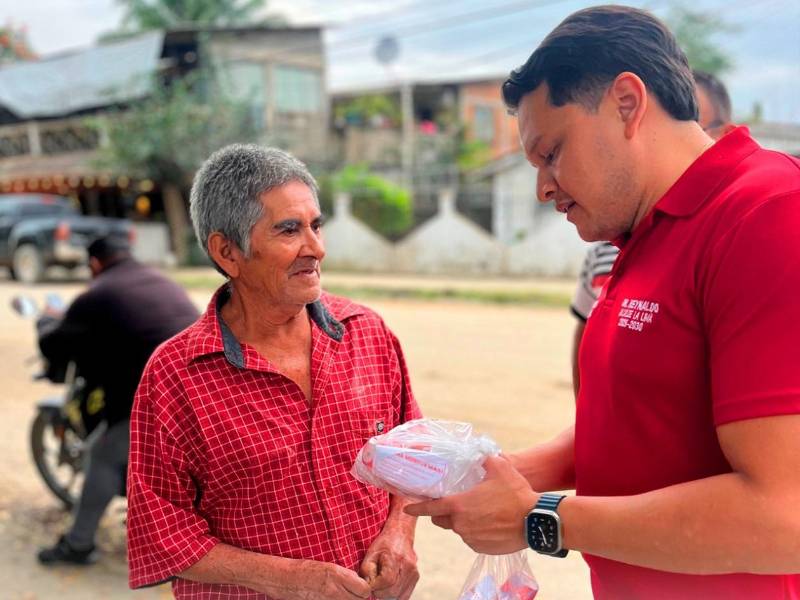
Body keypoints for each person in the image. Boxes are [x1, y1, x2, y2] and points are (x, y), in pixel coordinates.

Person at [407, 6, 800, 599]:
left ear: (626, 103)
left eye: (552, 152)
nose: (543, 187)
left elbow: (783, 515)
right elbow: (638, 418)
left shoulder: (765, 216)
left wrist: (541, 518)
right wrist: (504, 474)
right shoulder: (643, 234)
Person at [126, 145, 422, 600]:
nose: (316, 248)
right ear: (227, 252)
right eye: (289, 230)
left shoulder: (367, 334)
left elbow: (414, 455)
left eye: (316, 225)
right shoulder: (176, 375)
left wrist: (399, 534)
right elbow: (162, 533)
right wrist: (290, 579)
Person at [570, 69, 737, 396]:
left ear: (724, 134)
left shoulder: (735, 241)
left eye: (694, 129)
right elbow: (585, 338)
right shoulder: (605, 249)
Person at [36, 235, 199, 565]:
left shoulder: (98, 293)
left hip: (165, 397)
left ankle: (78, 545)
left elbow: (54, 344)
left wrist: (46, 322)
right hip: (206, 388)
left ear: (95, 263)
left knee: (103, 455)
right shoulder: (159, 281)